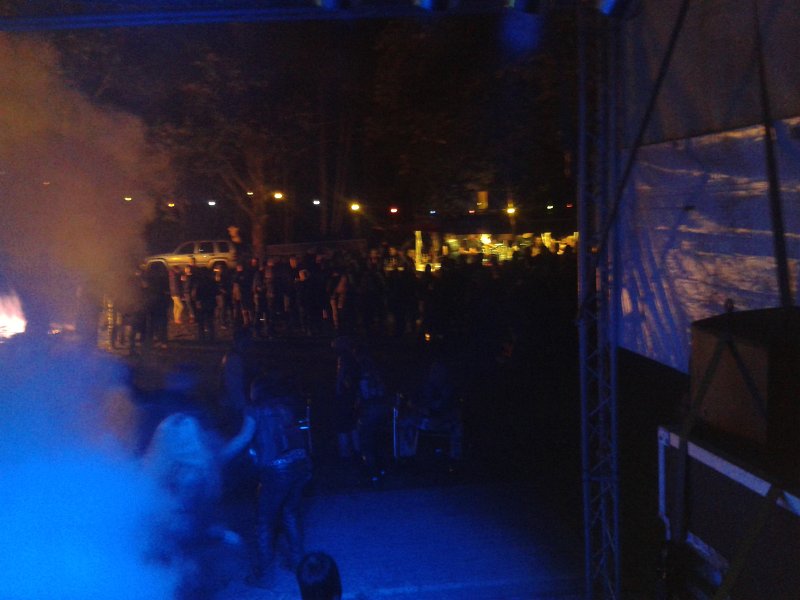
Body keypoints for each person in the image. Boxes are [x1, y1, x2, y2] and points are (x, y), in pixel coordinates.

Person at [246, 371, 313, 589]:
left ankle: (265, 577)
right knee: (290, 513)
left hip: (277, 469)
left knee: (264, 523)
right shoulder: (286, 406)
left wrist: (220, 455)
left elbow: (244, 438)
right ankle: (297, 562)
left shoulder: (255, 410)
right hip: (300, 464)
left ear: (256, 391)